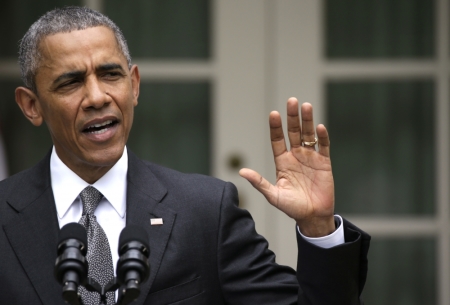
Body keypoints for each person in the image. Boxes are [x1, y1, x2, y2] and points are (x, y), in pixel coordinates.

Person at [0, 6, 370, 305]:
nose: (97, 97)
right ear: (31, 105)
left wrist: (318, 228)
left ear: (135, 85)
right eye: (71, 82)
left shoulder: (205, 211)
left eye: (111, 75)